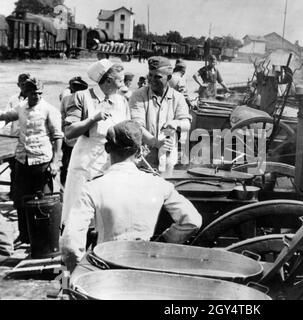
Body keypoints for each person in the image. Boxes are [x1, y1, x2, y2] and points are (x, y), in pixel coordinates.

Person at [60, 120, 202, 271]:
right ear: (140, 151)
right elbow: (193, 220)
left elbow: (70, 243)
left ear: (107, 148)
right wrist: (165, 241)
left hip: (106, 269)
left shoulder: (92, 188)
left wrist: (83, 271)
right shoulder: (160, 184)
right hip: (148, 266)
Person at [61, 59, 130, 227]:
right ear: (108, 80)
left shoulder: (121, 101)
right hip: (85, 165)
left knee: (106, 217)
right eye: (120, 80)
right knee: (79, 216)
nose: (123, 84)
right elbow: (69, 132)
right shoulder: (81, 97)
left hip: (112, 165)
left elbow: (127, 130)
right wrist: (93, 118)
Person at [0, 78, 63, 244]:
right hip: (22, 160)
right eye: (33, 93)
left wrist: (55, 162)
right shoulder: (21, 107)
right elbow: (7, 115)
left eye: (39, 93)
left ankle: (45, 239)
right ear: (26, 93)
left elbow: (57, 137)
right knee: (20, 200)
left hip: (42, 160)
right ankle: (25, 236)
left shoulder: (49, 110)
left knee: (44, 201)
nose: (36, 96)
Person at [129, 56, 192, 169]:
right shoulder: (139, 95)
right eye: (150, 75)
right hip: (143, 160)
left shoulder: (178, 97)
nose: (152, 80)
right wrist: (156, 143)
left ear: (168, 77)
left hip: (168, 159)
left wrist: (176, 123)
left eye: (157, 76)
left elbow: (187, 124)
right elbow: (137, 125)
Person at [0, 73, 30, 203]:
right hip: (14, 138)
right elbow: (6, 116)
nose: (24, 86)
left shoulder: (34, 98)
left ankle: (25, 195)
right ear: (18, 85)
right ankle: (14, 194)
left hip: (29, 139)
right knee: (14, 167)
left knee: (25, 169)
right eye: (22, 84)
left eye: (26, 84)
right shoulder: (13, 99)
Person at [59, 76, 89, 186]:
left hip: (71, 138)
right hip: (72, 138)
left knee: (68, 166)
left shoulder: (66, 97)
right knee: (69, 166)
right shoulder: (69, 98)